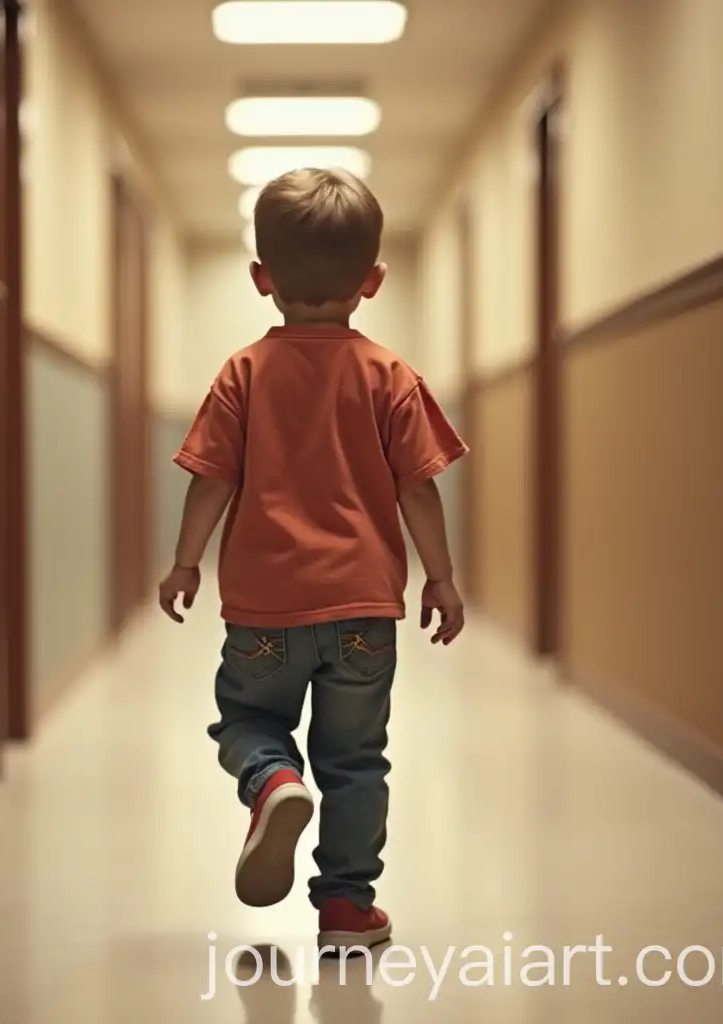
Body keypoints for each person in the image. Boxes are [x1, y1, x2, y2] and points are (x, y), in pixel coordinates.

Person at [159, 167, 468, 952]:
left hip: (264, 606)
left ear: (262, 279)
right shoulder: (390, 375)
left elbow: (211, 480)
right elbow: (420, 491)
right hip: (365, 608)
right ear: (373, 280)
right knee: (358, 757)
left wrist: (186, 563)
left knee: (249, 719)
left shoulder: (244, 372)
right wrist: (441, 575)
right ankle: (346, 908)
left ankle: (273, 781)